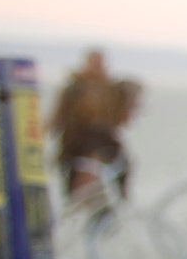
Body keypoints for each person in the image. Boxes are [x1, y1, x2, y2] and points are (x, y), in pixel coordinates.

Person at [48, 50, 135, 198]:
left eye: (100, 63)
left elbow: (123, 118)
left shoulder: (112, 89)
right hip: (78, 142)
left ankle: (117, 204)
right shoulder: (74, 89)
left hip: (104, 140)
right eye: (94, 63)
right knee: (80, 183)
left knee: (120, 169)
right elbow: (57, 118)